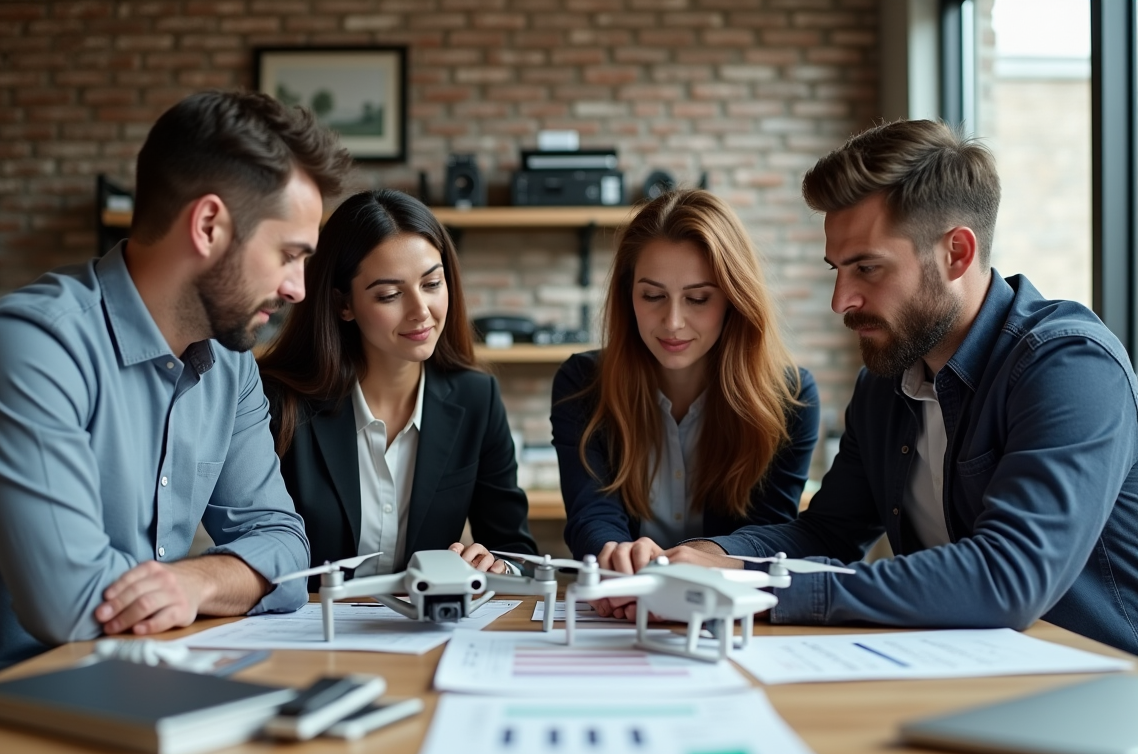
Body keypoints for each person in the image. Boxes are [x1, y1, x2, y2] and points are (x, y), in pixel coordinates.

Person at [637, 120, 1138, 655]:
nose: (841, 300)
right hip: (968, 671)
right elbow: (827, 533)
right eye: (836, 269)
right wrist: (707, 556)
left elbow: (1008, 578)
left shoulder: (1070, 366)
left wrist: (758, 585)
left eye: (867, 269)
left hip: (1100, 691)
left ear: (957, 255)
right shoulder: (886, 385)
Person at [0, 89, 352, 690]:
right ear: (208, 225)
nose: (298, 289)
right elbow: (74, 605)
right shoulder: (30, 348)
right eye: (290, 255)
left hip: (138, 682)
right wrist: (230, 576)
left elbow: (287, 549)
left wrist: (198, 581)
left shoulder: (230, 363)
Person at [552, 189, 820, 618]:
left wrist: (701, 559)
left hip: (725, 614)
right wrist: (619, 560)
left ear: (734, 299)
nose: (673, 322)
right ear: (628, 297)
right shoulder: (581, 384)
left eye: (698, 298)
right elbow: (591, 515)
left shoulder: (789, 397)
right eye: (652, 296)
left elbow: (771, 533)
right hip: (622, 613)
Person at [258, 189, 537, 587]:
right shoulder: (277, 402)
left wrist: (495, 567)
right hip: (310, 632)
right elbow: (254, 545)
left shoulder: (477, 399)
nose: (421, 311)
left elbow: (517, 553)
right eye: (390, 294)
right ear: (343, 304)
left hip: (426, 631)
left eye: (432, 284)